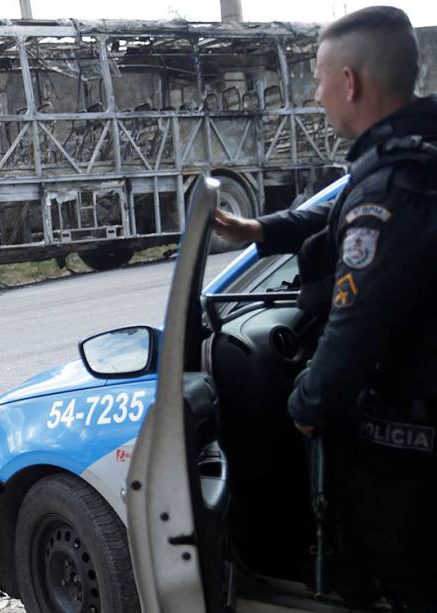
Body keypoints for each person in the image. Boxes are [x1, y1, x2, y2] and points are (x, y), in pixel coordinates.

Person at [216, 7, 437, 609]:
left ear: (350, 83)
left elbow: (354, 330)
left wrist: (307, 403)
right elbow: (341, 207)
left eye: (317, 79)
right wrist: (259, 228)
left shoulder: (391, 186)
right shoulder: (412, 156)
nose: (314, 96)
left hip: (404, 445)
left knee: (405, 584)